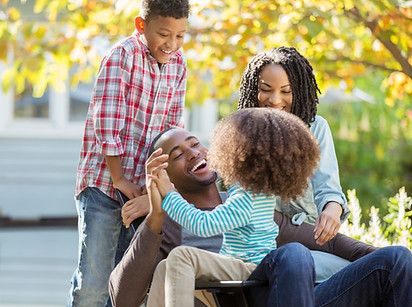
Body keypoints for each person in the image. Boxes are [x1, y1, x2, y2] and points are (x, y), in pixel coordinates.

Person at [109, 126, 382, 307]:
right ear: (165, 177)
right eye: (178, 154)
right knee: (167, 267)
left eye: (196, 144)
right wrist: (156, 215)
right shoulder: (166, 223)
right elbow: (124, 298)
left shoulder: (245, 203)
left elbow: (323, 239)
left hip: (257, 293)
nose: (193, 153)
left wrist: (377, 256)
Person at [67, 0, 190, 306]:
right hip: (104, 185)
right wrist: (119, 177)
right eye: (164, 34)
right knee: (93, 284)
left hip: (140, 193)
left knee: (124, 286)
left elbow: (172, 133)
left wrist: (152, 192)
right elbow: (107, 122)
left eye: (180, 36)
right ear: (141, 26)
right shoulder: (122, 56)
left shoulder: (178, 66)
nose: (172, 44)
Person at [145, 108, 321, 307]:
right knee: (165, 267)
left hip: (250, 268)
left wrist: (169, 194)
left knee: (181, 255)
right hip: (239, 265)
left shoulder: (248, 197)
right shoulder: (253, 191)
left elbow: (203, 225)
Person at [238, 46, 349, 246]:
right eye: (265, 90)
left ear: (299, 91)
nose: (275, 100)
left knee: (375, 258)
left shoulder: (315, 128)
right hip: (258, 240)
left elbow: (328, 189)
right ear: (253, 89)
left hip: (308, 234)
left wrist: (333, 207)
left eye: (286, 91)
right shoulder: (240, 131)